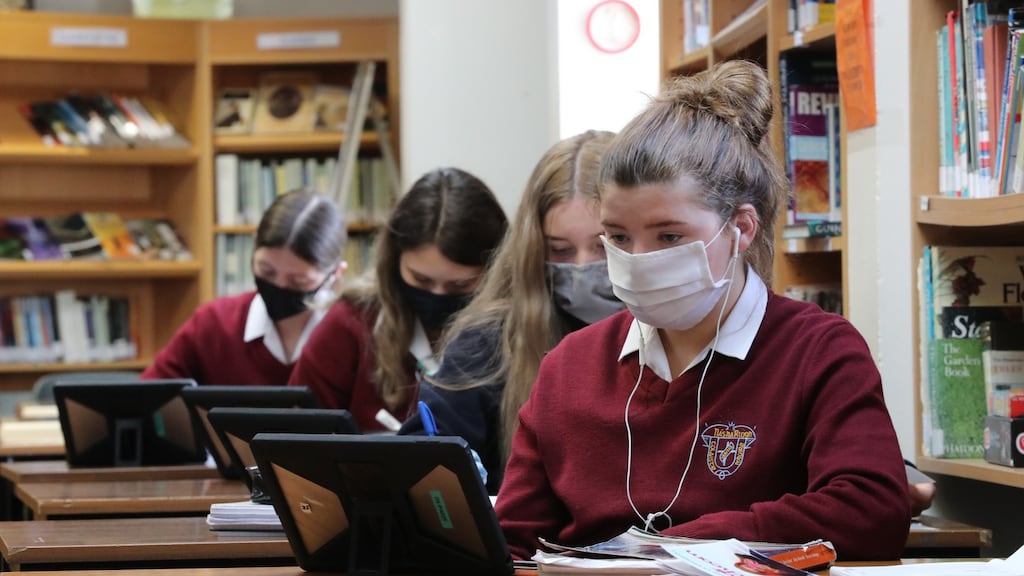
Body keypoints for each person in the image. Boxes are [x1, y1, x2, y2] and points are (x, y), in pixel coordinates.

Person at [495, 60, 911, 561]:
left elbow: (872, 510)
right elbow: (514, 540)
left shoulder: (817, 350)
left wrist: (692, 543)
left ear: (742, 228)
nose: (639, 260)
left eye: (669, 236)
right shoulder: (570, 366)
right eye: (619, 237)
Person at [399, 130, 622, 493]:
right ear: (533, 248)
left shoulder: (677, 329)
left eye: (603, 246)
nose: (582, 267)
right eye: (561, 250)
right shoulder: (489, 340)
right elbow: (421, 459)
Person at [289, 167, 508, 432]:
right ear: (394, 261)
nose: (437, 294)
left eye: (460, 284)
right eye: (421, 280)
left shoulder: (521, 330)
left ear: (497, 269)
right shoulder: (352, 321)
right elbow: (297, 436)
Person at [141, 189, 346, 385]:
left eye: (298, 281)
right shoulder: (214, 323)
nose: (279, 286)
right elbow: (146, 396)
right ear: (254, 246)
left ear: (335, 273)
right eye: (267, 271)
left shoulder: (355, 335)